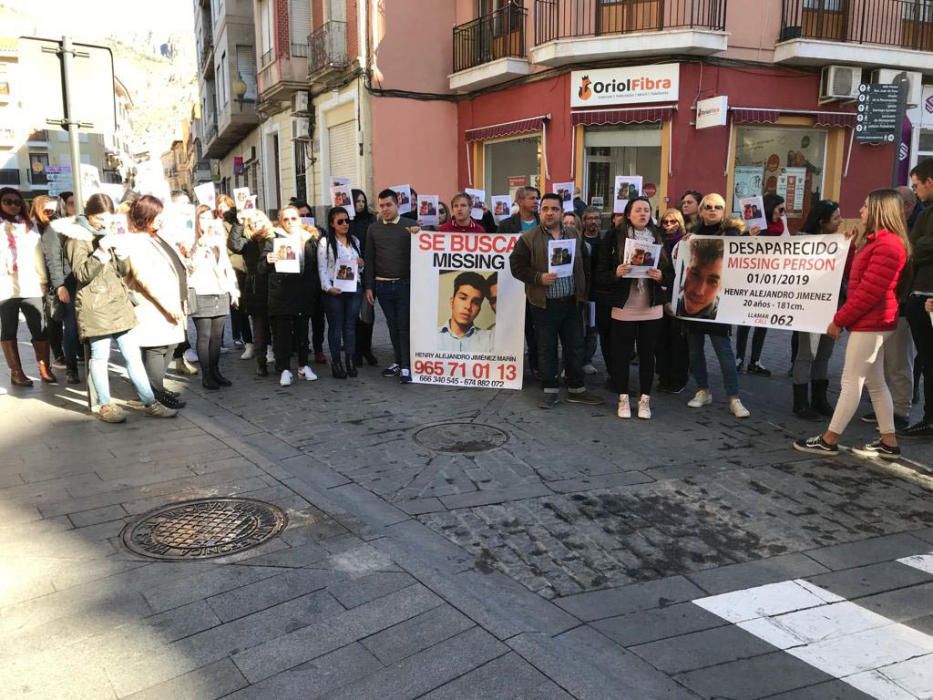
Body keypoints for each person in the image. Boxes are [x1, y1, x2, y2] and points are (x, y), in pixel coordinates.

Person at [795, 189, 910, 460]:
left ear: (880, 211)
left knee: (851, 381)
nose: (860, 211)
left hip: (872, 322)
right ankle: (888, 441)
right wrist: (853, 247)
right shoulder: (880, 242)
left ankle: (829, 438)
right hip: (874, 321)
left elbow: (868, 292)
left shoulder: (888, 245)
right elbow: (859, 280)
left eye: (866, 206)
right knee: (875, 382)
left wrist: (839, 319)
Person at [60, 193, 176, 422]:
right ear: (89, 215)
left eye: (107, 218)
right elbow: (82, 274)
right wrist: (101, 251)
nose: (103, 223)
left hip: (118, 302)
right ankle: (105, 405)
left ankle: (150, 401)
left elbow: (121, 271)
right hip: (95, 305)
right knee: (100, 356)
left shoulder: (110, 232)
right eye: (99, 219)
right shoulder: (77, 237)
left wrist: (121, 255)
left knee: (132, 355)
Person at [509, 192, 602, 408]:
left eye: (554, 209)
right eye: (545, 209)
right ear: (540, 211)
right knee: (546, 348)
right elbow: (517, 267)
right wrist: (537, 277)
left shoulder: (574, 235)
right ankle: (550, 389)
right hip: (544, 303)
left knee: (575, 346)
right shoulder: (528, 238)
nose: (549, 213)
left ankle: (576, 388)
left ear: (562, 212)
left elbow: (584, 266)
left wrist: (583, 292)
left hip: (571, 302)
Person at [595, 196, 672, 419]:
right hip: (624, 305)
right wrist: (615, 274)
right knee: (621, 354)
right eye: (638, 210)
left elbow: (671, 273)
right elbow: (600, 274)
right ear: (628, 214)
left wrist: (661, 276)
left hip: (651, 306)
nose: (642, 214)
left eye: (646, 210)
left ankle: (645, 400)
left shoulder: (659, 236)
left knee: (648, 354)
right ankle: (623, 398)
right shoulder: (613, 236)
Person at [681, 193, 750, 418]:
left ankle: (734, 397)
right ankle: (703, 390)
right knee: (694, 351)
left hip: (719, 306)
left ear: (723, 211)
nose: (712, 210)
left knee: (724, 353)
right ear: (701, 211)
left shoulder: (733, 234)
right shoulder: (693, 234)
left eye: (717, 207)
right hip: (692, 305)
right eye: (708, 207)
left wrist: (750, 238)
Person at [122, 195, 189, 409]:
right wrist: (168, 306)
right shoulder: (137, 241)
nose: (162, 219)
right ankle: (153, 394)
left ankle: (156, 388)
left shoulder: (155, 237)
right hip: (154, 306)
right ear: (147, 217)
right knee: (156, 348)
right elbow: (145, 278)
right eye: (158, 215)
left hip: (169, 303)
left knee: (169, 346)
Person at [791, 199, 843, 420]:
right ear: (822, 222)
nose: (840, 222)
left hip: (832, 305)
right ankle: (801, 403)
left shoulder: (839, 242)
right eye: (836, 219)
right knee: (806, 354)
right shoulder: (801, 242)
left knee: (824, 354)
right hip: (808, 306)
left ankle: (819, 399)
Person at [0, 187, 56, 386]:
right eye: (8, 201)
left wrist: (42, 281)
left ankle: (44, 367)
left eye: (17, 202)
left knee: (39, 328)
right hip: (5, 287)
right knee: (8, 330)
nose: (13, 205)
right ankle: (16, 372)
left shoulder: (29, 225)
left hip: (30, 283)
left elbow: (38, 255)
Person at [261, 206, 321, 386]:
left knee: (303, 334)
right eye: (285, 219)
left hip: (303, 292)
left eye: (293, 218)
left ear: (299, 220)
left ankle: (303, 366)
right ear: (280, 221)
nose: (290, 223)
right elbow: (261, 268)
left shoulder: (309, 238)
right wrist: (268, 260)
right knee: (282, 335)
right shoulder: (273, 239)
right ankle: (285, 369)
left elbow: (315, 265)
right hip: (282, 293)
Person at [364, 189, 418, 384]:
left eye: (389, 205)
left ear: (397, 205)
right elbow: (369, 258)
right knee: (392, 325)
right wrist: (369, 286)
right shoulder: (373, 228)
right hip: (382, 286)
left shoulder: (410, 226)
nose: (385, 209)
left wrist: (420, 233)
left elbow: (431, 242)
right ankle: (398, 360)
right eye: (382, 205)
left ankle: (406, 365)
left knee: (404, 325)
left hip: (405, 284)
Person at [188, 205, 239, 390]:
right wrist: (201, 245)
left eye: (209, 218)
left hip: (220, 290)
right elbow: (190, 265)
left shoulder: (218, 238)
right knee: (205, 335)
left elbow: (226, 266)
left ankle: (216, 371)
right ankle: (206, 374)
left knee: (217, 336)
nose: (207, 222)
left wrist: (233, 290)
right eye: (202, 218)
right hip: (201, 290)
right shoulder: (192, 241)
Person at [735, 193, 784, 376]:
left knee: (763, 320)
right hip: (750, 277)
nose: (782, 213)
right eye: (780, 209)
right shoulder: (754, 227)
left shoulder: (780, 227)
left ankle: (755, 360)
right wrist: (749, 236)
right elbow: (738, 246)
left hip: (769, 278)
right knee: (745, 320)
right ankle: (739, 357)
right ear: (771, 208)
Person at [35, 194, 80, 384]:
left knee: (78, 327)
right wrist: (59, 285)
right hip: (67, 284)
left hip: (82, 282)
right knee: (71, 327)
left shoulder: (80, 226)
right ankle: (71, 367)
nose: (75, 206)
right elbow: (53, 261)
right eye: (71, 203)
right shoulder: (54, 230)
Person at [903, 158, 933, 437]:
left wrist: (913, 246)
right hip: (921, 292)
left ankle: (929, 419)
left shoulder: (927, 213)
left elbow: (918, 247)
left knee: (928, 358)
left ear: (929, 182)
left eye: (917, 186)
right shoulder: (926, 211)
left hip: (925, 294)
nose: (916, 192)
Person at [498, 187, 541, 379]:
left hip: (536, 284)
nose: (536, 201)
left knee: (536, 331)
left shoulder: (543, 222)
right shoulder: (506, 225)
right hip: (512, 285)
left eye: (537, 198)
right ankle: (509, 366)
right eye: (532, 198)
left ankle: (537, 366)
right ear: (520, 201)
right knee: (512, 327)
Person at [318, 207, 363, 378]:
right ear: (332, 224)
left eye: (347, 220)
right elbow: (322, 267)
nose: (345, 224)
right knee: (336, 327)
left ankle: (350, 360)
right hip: (334, 290)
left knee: (350, 327)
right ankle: (336, 363)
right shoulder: (325, 243)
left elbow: (360, 267)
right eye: (340, 221)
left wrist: (361, 262)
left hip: (353, 288)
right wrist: (328, 288)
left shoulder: (355, 241)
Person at [230, 211, 275, 377]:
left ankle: (280, 359)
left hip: (275, 287)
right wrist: (238, 222)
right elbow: (234, 244)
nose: (256, 225)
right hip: (256, 289)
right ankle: (261, 362)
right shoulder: (248, 242)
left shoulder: (274, 237)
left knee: (278, 327)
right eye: (252, 223)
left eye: (258, 221)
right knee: (259, 330)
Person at [655, 208, 689, 394]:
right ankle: (663, 376)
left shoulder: (686, 242)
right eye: (665, 222)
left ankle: (678, 378)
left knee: (678, 341)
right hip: (661, 296)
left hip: (680, 296)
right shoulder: (658, 241)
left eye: (673, 222)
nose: (669, 226)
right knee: (661, 341)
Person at [217, 194, 252, 356]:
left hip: (246, 267)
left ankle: (244, 337)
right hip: (232, 267)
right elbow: (230, 245)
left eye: (225, 206)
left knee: (244, 305)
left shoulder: (245, 221)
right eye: (220, 207)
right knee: (235, 304)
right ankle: (238, 337)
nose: (223, 210)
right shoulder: (219, 225)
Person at [349, 189, 378, 367]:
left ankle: (366, 348)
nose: (360, 204)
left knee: (368, 313)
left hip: (369, 269)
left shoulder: (371, 220)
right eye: (357, 201)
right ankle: (356, 351)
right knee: (353, 315)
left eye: (362, 201)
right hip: (350, 272)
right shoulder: (347, 220)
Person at [580, 207, 607, 376]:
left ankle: (587, 360)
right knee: (577, 329)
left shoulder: (605, 240)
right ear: (584, 221)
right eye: (589, 218)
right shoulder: (578, 239)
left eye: (596, 218)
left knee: (592, 328)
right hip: (581, 290)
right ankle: (572, 361)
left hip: (599, 292)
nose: (593, 221)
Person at [437, 271, 494, 352]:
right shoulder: (431, 336)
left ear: (479, 309)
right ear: (452, 302)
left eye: (476, 303)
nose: (468, 307)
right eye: (463, 298)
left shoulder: (490, 340)